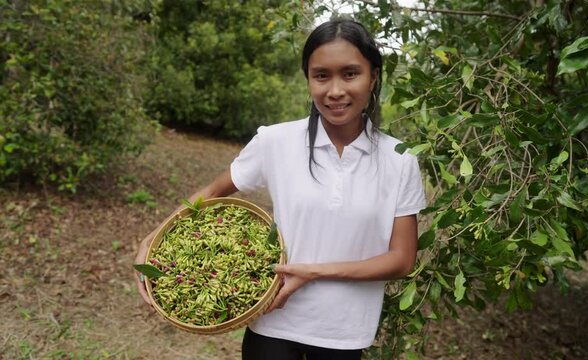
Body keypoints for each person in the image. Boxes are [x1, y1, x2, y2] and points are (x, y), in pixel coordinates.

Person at [135, 18, 426, 360]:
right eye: (321, 76)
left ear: (373, 75)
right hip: (272, 322)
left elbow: (402, 259)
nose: (335, 90)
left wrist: (314, 272)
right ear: (308, 79)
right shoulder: (276, 141)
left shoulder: (398, 159)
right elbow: (214, 191)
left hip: (343, 331)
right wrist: (152, 239)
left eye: (350, 74)